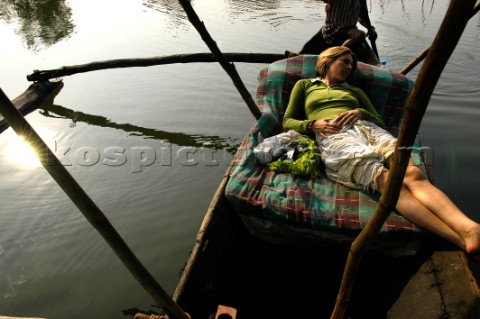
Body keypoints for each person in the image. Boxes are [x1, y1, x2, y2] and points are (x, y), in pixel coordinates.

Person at [282, 46, 480, 258]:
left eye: (352, 64)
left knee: (413, 174)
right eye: (345, 61)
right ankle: (459, 238)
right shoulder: (304, 86)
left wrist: (360, 111)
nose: (349, 67)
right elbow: (287, 121)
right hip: (334, 135)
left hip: (369, 129)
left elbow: (378, 121)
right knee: (388, 182)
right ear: (327, 61)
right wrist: (312, 124)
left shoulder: (354, 91)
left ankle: (470, 228)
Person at [299, 0, 379, 65]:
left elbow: (362, 18)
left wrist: (371, 29)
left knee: (370, 56)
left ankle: (340, 56)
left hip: (350, 32)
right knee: (360, 35)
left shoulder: (361, 1)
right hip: (332, 29)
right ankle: (336, 57)